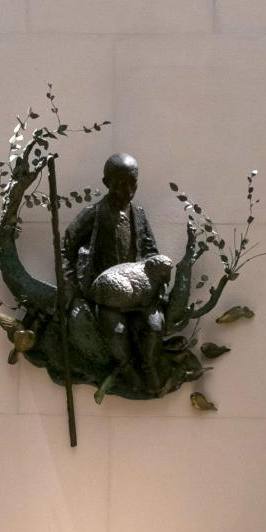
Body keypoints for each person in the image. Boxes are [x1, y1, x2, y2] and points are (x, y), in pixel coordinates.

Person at [62, 153, 166, 392]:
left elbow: (151, 252)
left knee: (155, 326)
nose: (126, 188)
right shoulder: (94, 214)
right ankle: (127, 369)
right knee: (117, 331)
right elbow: (66, 247)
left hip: (139, 293)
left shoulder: (138, 215)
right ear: (106, 182)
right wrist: (70, 286)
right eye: (119, 182)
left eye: (131, 182)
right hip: (107, 296)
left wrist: (159, 280)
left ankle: (149, 367)